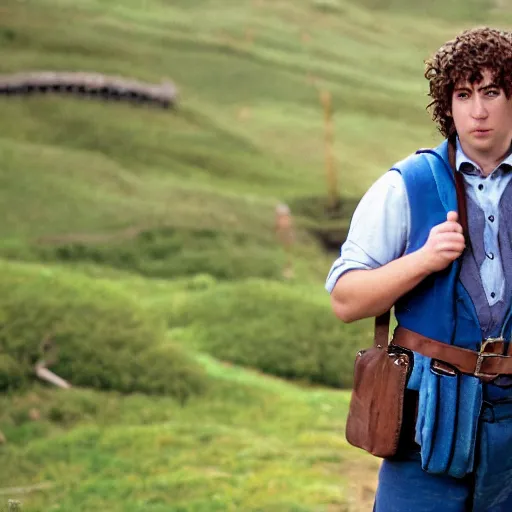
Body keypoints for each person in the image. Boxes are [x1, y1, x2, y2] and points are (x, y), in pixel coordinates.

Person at [326, 27, 512, 511]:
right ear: (446, 104)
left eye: (492, 91)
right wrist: (423, 260)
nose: (478, 110)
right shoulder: (403, 186)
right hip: (426, 427)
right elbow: (346, 300)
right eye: (463, 93)